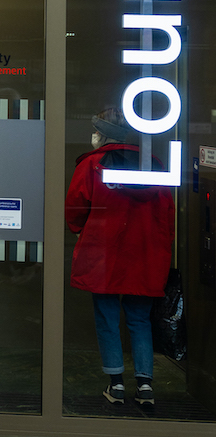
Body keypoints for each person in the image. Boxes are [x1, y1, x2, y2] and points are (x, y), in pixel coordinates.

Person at [65, 107, 175, 406]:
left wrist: (79, 230)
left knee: (107, 319)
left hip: (104, 254)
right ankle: (145, 386)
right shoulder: (153, 165)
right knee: (140, 320)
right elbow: (167, 214)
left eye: (96, 130)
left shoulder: (91, 165)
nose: (93, 135)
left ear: (103, 133)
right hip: (145, 255)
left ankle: (116, 385)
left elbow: (75, 207)